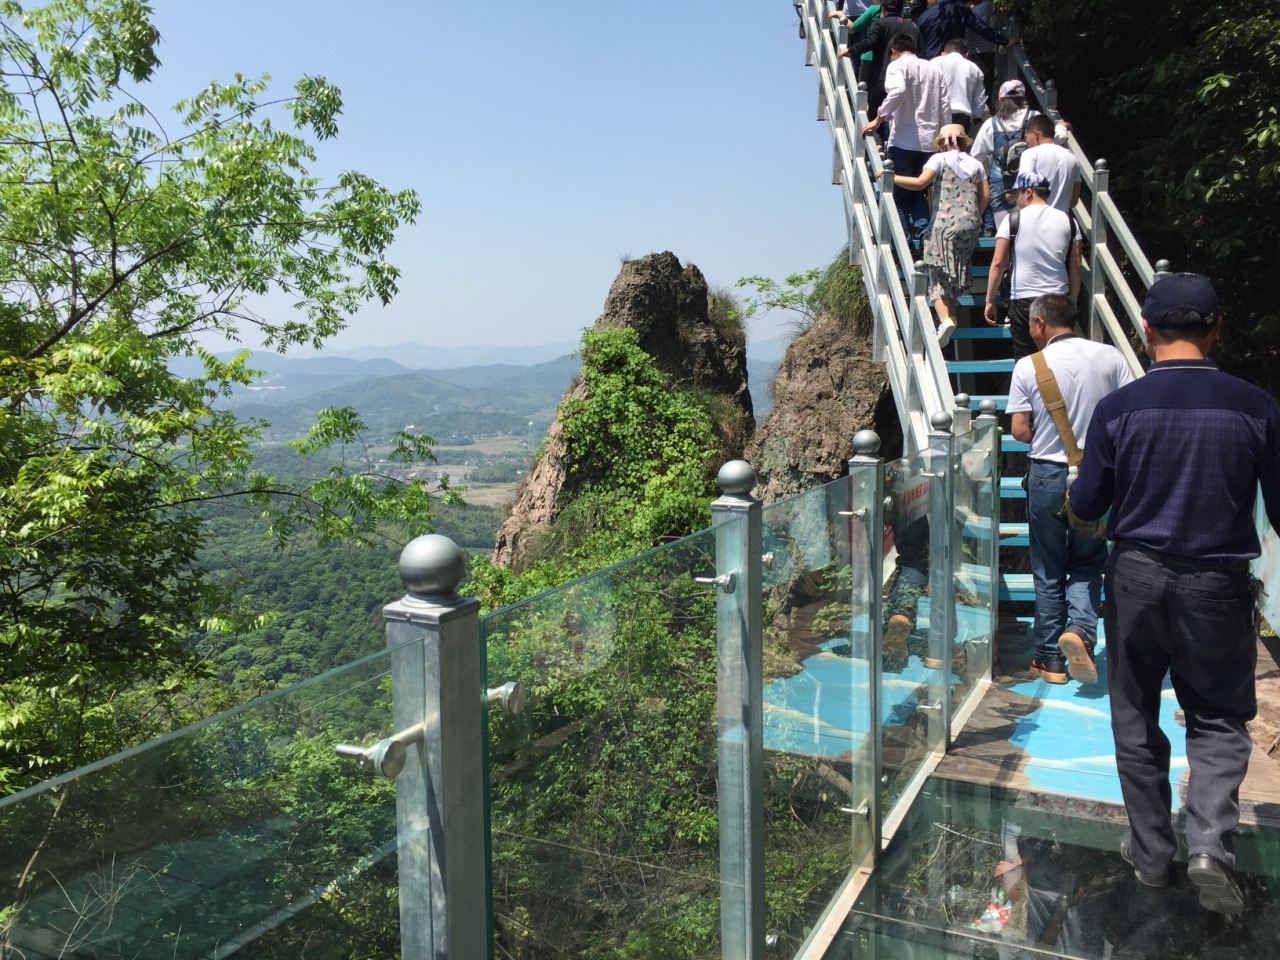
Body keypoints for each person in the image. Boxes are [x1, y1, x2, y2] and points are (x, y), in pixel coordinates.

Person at [1068, 273, 1280, 916]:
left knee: (1135, 714)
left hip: (1135, 576)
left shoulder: (1119, 410)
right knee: (1217, 715)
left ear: (1145, 330)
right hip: (1217, 582)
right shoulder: (1256, 406)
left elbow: (1086, 503)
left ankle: (1152, 853)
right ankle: (1210, 847)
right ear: (1216, 330)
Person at [1006, 293, 1134, 683]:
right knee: (1088, 562)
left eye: (1030, 323)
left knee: (1048, 569)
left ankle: (1050, 660)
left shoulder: (1029, 365)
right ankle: (1079, 632)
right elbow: (1128, 414)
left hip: (1046, 475)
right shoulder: (1110, 357)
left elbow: (1019, 429)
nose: (1029, 330)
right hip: (1096, 475)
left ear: (1042, 324)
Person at [894, 122, 988, 345]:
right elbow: (984, 195)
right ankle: (951, 317)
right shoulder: (977, 164)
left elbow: (920, 183)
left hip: (944, 225)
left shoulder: (939, 159)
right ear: (963, 141)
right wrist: (974, 216)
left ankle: (944, 320)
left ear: (941, 143)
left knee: (937, 273)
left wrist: (890, 176)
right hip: (970, 225)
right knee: (955, 272)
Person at [861, 33, 950, 246]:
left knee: (898, 196)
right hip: (930, 142)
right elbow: (945, 105)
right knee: (919, 192)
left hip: (903, 140)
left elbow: (898, 90)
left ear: (893, 51)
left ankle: (905, 244)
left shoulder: (896, 66)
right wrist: (944, 140)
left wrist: (878, 118)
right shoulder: (934, 69)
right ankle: (924, 236)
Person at [983, 171, 1082, 360]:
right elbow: (1076, 265)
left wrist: (989, 300)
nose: (1015, 200)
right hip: (1058, 299)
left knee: (1028, 361)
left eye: (1016, 195)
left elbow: (998, 262)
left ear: (1028, 192)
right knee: (1060, 359)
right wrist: (1073, 301)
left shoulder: (1012, 220)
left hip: (1024, 300)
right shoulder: (1069, 221)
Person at [973, 79, 1038, 232]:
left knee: (1005, 232)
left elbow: (978, 156)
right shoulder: (1035, 117)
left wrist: (985, 177)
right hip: (1031, 181)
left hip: (1000, 179)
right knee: (1029, 229)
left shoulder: (992, 123)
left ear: (1000, 99)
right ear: (1023, 98)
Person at [842, 2, 921, 117]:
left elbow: (868, 42)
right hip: (908, 80)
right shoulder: (913, 27)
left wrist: (850, 50)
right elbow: (921, 52)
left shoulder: (880, 23)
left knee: (874, 113)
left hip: (881, 78)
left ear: (883, 9)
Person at [1019, 114, 1081, 214]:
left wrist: (1011, 195)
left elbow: (1023, 192)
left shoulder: (1030, 154)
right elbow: (1073, 201)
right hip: (1062, 222)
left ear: (1035, 134)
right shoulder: (1073, 159)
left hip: (1036, 221)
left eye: (1026, 137)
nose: (1026, 142)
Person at [914, 0, 1006, 59]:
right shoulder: (959, 10)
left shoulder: (924, 16)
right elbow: (980, 27)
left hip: (930, 61)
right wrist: (1002, 41)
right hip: (952, 59)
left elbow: (917, 40)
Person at [962, 0, 999, 104]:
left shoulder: (963, 14)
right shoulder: (986, 5)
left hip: (970, 55)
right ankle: (985, 112)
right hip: (985, 54)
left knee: (973, 88)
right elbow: (998, 11)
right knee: (986, 88)